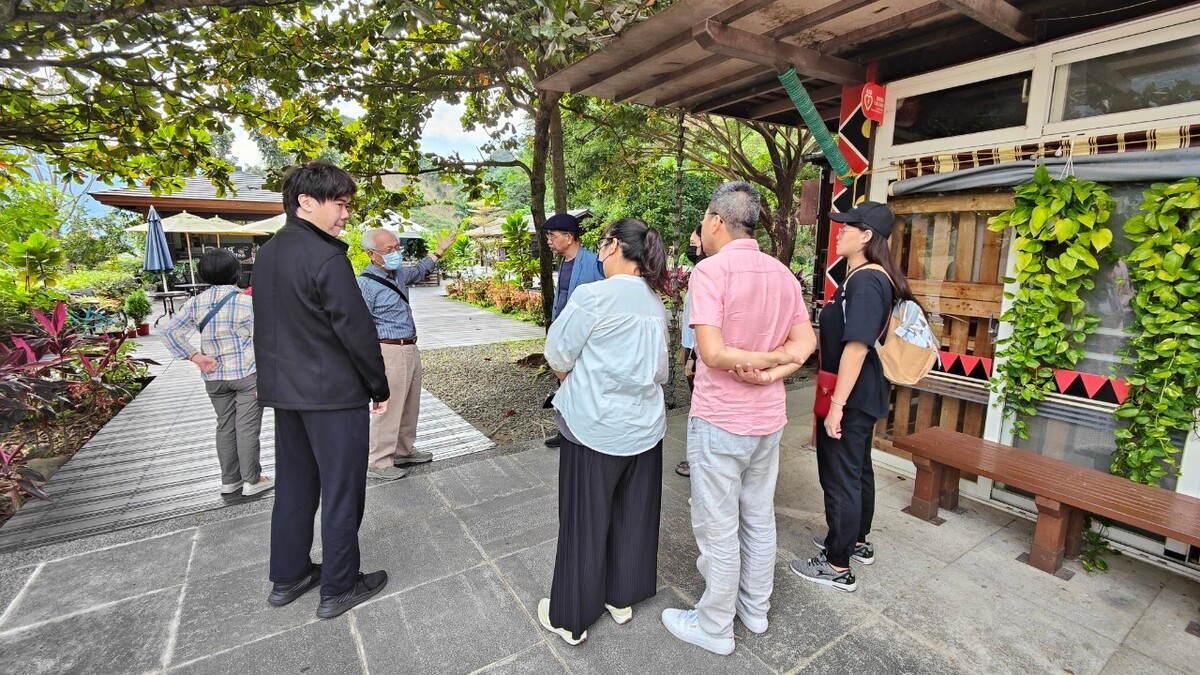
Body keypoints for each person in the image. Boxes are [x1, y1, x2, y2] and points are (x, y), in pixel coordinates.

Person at [662, 182, 816, 656]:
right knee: (757, 515)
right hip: (768, 420)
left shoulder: (711, 272)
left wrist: (751, 363)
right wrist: (773, 368)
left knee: (717, 524)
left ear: (714, 221)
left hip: (721, 419)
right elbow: (805, 346)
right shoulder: (782, 273)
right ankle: (755, 608)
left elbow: (711, 352)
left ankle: (714, 625)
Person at [255, 162, 391, 620]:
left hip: (286, 395)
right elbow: (355, 331)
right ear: (306, 202)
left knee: (294, 488)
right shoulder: (326, 257)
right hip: (332, 396)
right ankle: (339, 585)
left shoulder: (268, 254)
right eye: (340, 204)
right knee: (341, 491)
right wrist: (378, 384)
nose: (345, 215)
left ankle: (288, 576)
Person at [537, 218, 671, 646]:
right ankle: (621, 596)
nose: (598, 250)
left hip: (595, 426)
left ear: (613, 247)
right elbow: (661, 373)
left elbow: (557, 352)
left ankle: (570, 617)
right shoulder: (656, 303)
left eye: (602, 243)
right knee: (633, 516)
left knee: (584, 519)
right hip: (644, 429)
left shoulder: (592, 296)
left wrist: (568, 377)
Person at [791, 201, 906, 594]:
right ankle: (854, 541)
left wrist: (836, 405)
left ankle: (837, 563)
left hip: (852, 393)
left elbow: (857, 347)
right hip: (859, 391)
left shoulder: (867, 281)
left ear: (867, 236)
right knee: (856, 470)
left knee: (841, 475)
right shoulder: (867, 277)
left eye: (847, 227)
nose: (839, 232)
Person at [162, 248, 273, 498]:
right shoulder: (248, 302)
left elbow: (168, 331)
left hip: (213, 377)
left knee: (224, 426)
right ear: (236, 272)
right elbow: (267, 339)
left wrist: (194, 356)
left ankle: (229, 481)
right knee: (246, 427)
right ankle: (252, 480)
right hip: (246, 375)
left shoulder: (195, 302)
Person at [357, 227, 455, 481]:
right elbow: (360, 324)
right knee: (388, 407)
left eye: (397, 247)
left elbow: (420, 270)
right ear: (372, 254)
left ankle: (403, 449)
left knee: (410, 403)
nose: (396, 253)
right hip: (388, 349)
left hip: (409, 346)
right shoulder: (365, 284)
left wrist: (439, 251)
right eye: (389, 250)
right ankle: (379, 461)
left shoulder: (398, 275)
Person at [543, 212, 605, 448]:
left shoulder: (593, 262)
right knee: (564, 384)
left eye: (552, 235)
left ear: (569, 237)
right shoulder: (564, 262)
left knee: (582, 384)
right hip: (564, 336)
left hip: (585, 338)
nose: (549, 240)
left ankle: (585, 430)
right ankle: (565, 429)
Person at [675, 225, 705, 478]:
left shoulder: (707, 274)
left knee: (699, 407)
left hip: (699, 352)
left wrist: (693, 357)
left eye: (694, 242)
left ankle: (696, 459)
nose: (690, 246)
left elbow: (703, 321)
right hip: (690, 347)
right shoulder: (699, 271)